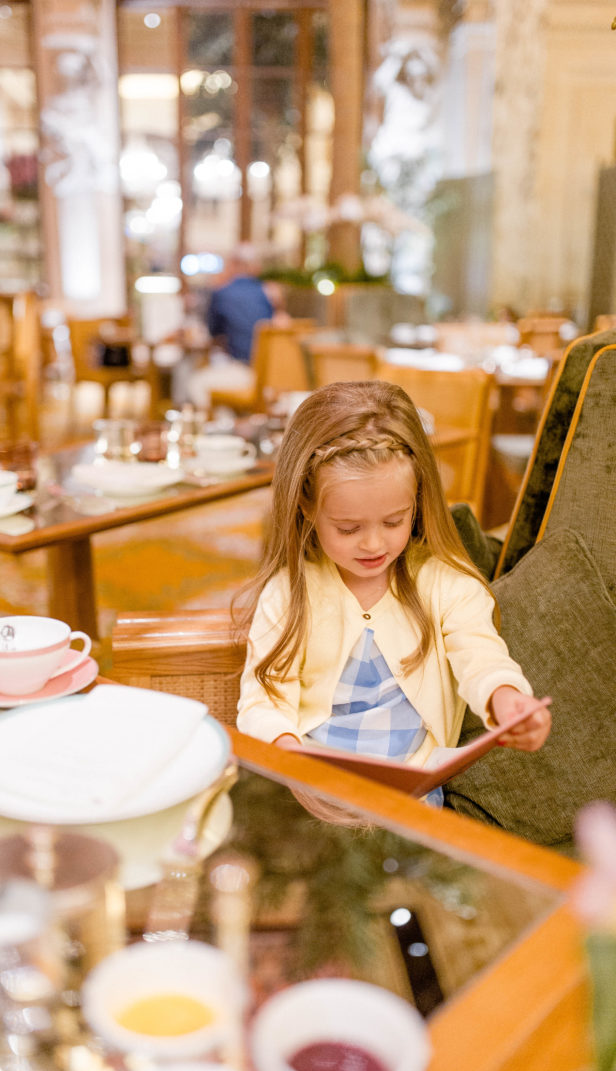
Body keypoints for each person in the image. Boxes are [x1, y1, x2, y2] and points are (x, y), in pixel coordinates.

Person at [236, 380, 551, 806]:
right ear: (306, 506)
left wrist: (507, 697)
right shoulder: (290, 593)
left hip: (411, 794)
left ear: (418, 501)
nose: (373, 545)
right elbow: (263, 699)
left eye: (393, 521)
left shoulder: (444, 583)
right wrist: (292, 757)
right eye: (348, 528)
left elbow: (481, 655)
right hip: (313, 787)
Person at [186, 243, 286, 410]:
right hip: (272, 375)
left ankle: (214, 430)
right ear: (254, 266)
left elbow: (212, 332)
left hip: (245, 370)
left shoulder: (222, 292)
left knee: (195, 383)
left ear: (233, 264)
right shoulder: (267, 293)